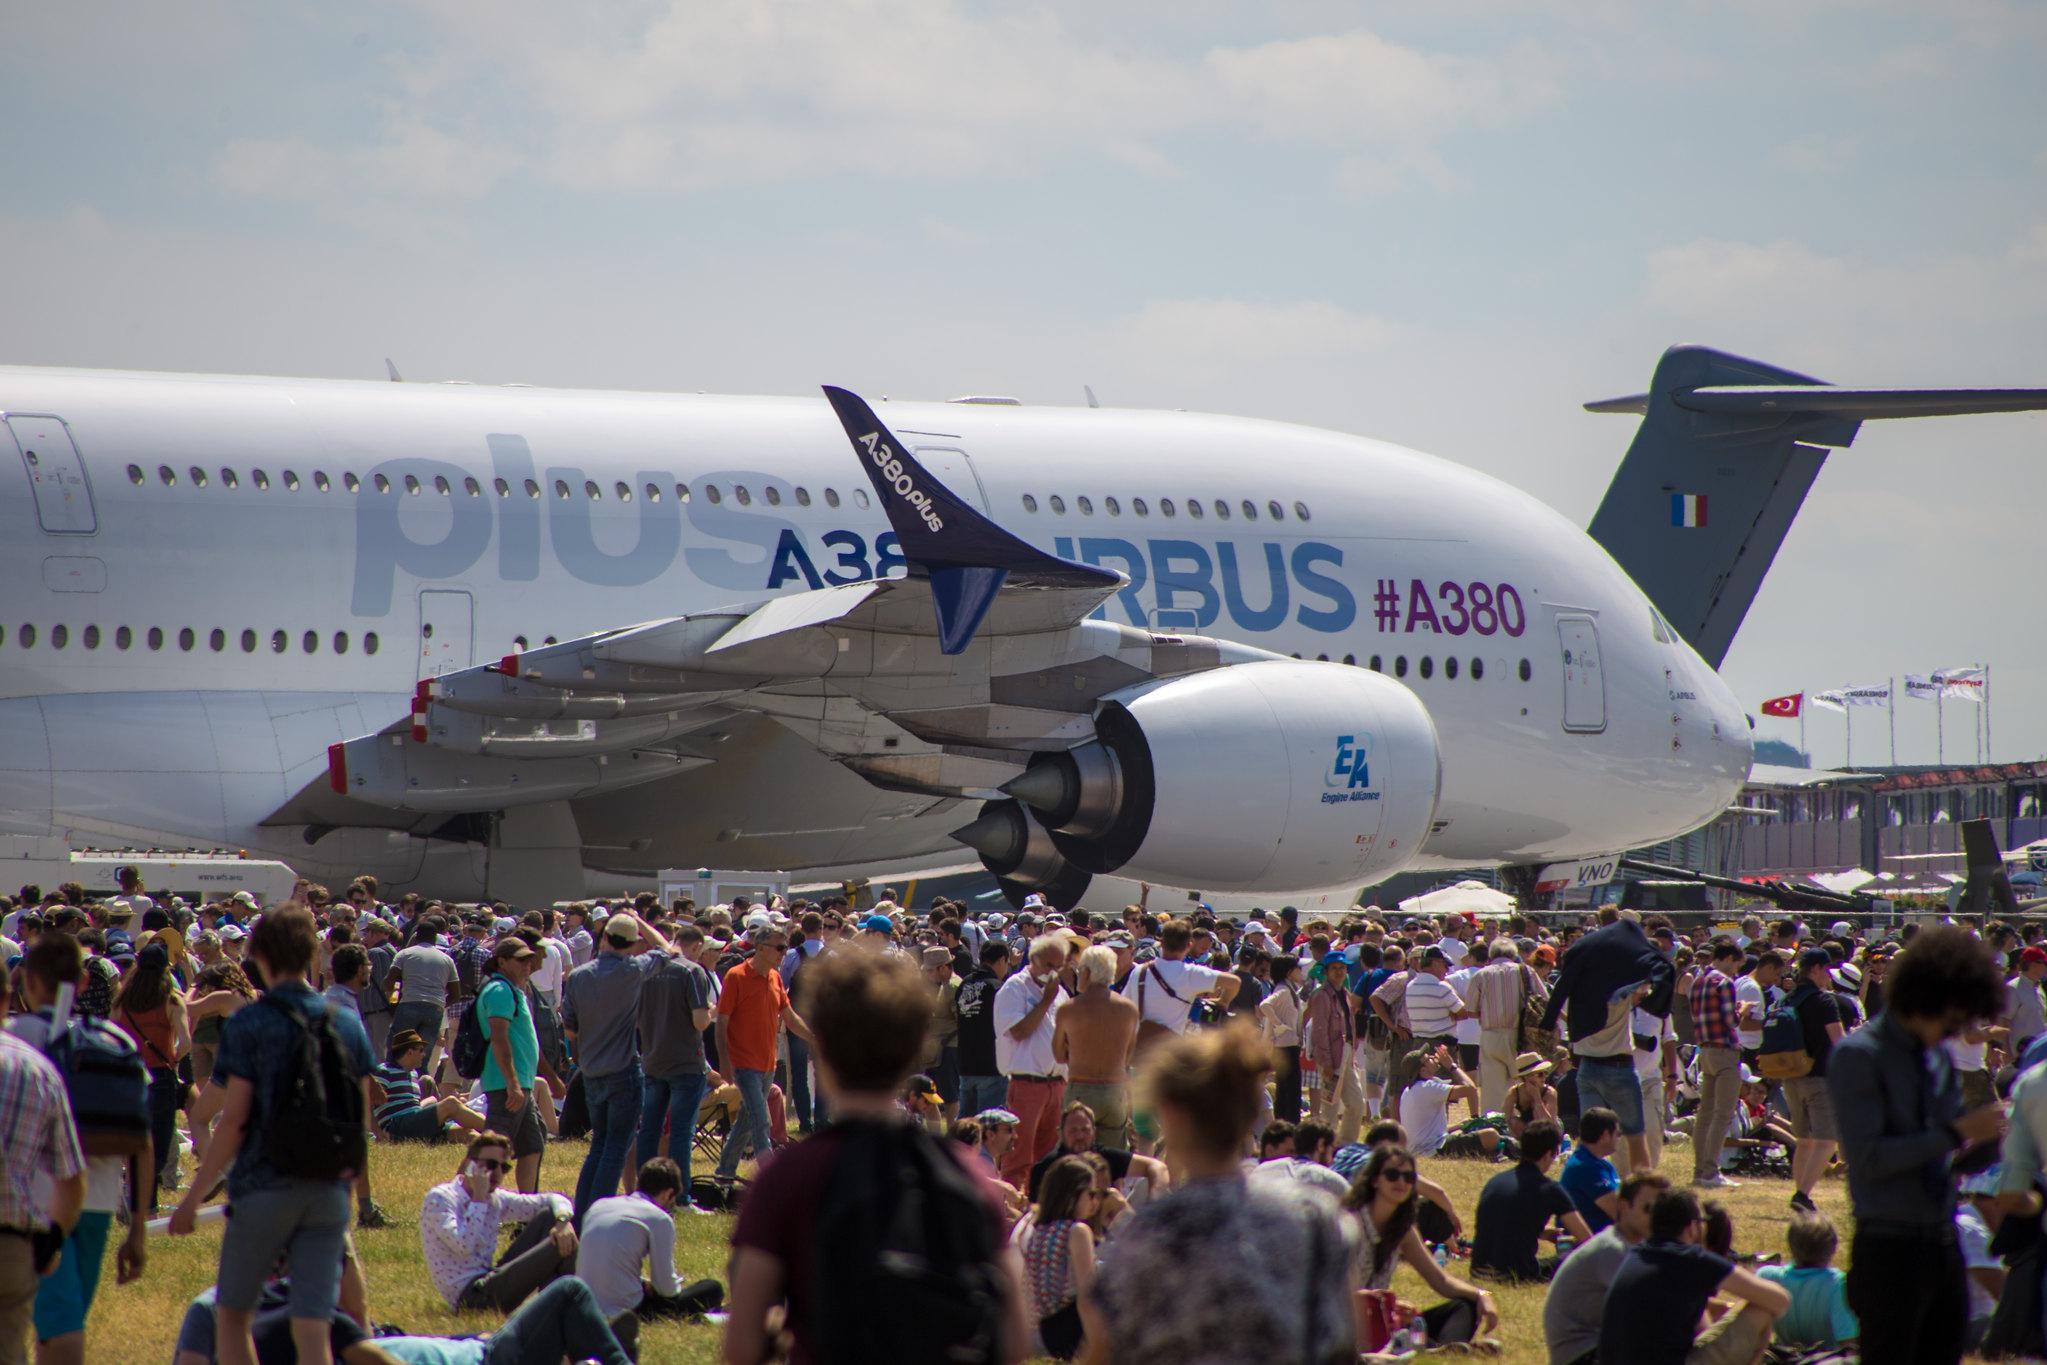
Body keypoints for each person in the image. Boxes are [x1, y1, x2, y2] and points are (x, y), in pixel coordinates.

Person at [724, 946, 1029, 1365]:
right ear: (914, 1050)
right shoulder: (967, 1175)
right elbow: (1012, 1339)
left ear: (824, 1054)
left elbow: (742, 1344)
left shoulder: (786, 1177)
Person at [169, 903, 377, 1365]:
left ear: (258, 956)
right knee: (313, 1326)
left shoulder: (251, 1022)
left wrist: (194, 1196)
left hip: (265, 1182)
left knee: (233, 1317)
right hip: (327, 1186)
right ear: (314, 955)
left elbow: (235, 1120)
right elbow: (359, 1118)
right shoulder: (344, 1021)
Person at [1083, 1025, 1359, 1365]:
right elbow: (1345, 1341)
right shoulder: (1318, 1218)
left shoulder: (1149, 1235)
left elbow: (1104, 1349)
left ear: (1172, 1115)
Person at [1828, 926, 2004, 1365]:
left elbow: (1943, 1154)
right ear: (1925, 999)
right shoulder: (1859, 1056)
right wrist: (1959, 1133)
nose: (1954, 1033)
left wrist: (1996, 1139)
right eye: (1951, 1021)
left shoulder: (1939, 1056)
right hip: (1889, 1245)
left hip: (1943, 1239)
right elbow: (1869, 1159)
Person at [0, 960, 89, 1365]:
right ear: (7, 999)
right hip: (10, 1245)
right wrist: (50, 1242)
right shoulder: (37, 1069)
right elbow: (71, 1177)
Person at [560, 910, 677, 1218]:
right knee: (616, 1148)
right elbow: (668, 949)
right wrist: (641, 922)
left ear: (605, 938)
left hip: (591, 1071)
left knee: (598, 1145)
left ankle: (582, 1212)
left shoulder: (578, 976)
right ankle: (596, 1215)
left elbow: (570, 1029)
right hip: (623, 1069)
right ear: (631, 943)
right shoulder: (633, 970)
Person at [1540, 914, 1671, 1175]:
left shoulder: (1581, 1002)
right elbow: (1644, 990)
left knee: (1591, 1139)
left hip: (1587, 1069)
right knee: (1635, 1134)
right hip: (1620, 1069)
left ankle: (1588, 1182)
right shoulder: (1619, 998)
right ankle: (1642, 1187)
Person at [1596, 1188, 1789, 1365]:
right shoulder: (1692, 1259)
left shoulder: (1638, 1254)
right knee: (1762, 1309)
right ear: (1691, 1227)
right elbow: (1780, 1299)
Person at [1342, 1144, 1500, 1345]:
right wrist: (1388, 1306)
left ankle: (1448, 1348)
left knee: (1465, 1305)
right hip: (1346, 1322)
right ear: (1374, 1180)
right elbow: (1332, 1292)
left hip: (1384, 1318)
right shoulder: (1349, 1224)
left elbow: (1441, 1280)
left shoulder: (1402, 1229)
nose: (1401, 1182)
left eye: (1409, 1177)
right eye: (1392, 1175)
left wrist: (1483, 1295)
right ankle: (1431, 1348)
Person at [418, 1131, 578, 1313]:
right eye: (491, 1164)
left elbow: (553, 1199)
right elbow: (463, 1245)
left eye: (504, 1167)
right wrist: (478, 1198)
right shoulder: (440, 1198)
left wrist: (563, 1220)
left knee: (551, 1216)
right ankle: (573, 1304)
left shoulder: (494, 1198)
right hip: (471, 1297)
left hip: (490, 1278)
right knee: (560, 1243)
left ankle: (560, 1306)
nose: (498, 1173)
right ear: (470, 1163)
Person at [578, 1157, 719, 1345]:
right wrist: (661, 1286)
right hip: (626, 1309)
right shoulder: (658, 1218)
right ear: (669, 1193)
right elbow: (666, 1289)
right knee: (712, 1288)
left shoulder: (600, 1205)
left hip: (585, 1302)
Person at [714, 925, 813, 1190]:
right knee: (762, 1121)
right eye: (779, 947)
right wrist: (724, 1061)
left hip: (767, 1063)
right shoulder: (736, 976)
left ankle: (723, 1174)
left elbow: (789, 1017)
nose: (784, 952)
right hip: (744, 1064)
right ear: (759, 948)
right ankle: (773, 1181)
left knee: (747, 1122)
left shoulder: (776, 977)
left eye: (786, 947)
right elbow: (722, 1022)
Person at [1541, 1171, 1669, 1365]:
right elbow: (1658, 1308)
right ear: (1624, 1207)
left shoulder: (1630, 1247)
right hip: (1583, 1355)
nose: (1658, 1218)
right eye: (1649, 1208)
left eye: (1664, 1211)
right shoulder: (1613, 1250)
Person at [634, 929, 717, 1190]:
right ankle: (681, 1196)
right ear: (697, 946)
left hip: (653, 1057)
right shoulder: (692, 971)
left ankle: (645, 1188)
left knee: (650, 1129)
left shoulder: (647, 970)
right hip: (685, 1061)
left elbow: (636, 1019)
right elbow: (700, 1021)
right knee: (681, 1132)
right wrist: (715, 1009)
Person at [111, 938, 189, 1213]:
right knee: (158, 1137)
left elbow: (112, 1032)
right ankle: (147, 1201)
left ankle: (130, 1195)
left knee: (130, 1135)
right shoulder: (171, 999)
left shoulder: (123, 998)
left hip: (128, 1075)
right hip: (159, 1074)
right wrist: (172, 1060)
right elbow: (185, 1041)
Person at [1468, 1121, 1591, 1282]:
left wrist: (1542, 1232)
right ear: (1549, 1154)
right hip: (1514, 1275)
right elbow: (1586, 1238)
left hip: (1478, 1271)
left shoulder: (1495, 1182)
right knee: (1572, 1254)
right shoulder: (1549, 1189)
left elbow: (1503, 1223)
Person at [997, 935, 1071, 1186]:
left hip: (1056, 1083)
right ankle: (1012, 1208)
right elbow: (1018, 1031)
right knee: (1018, 1157)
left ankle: (1039, 1205)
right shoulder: (1014, 987)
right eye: (1050, 965)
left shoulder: (1060, 992)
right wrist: (1046, 999)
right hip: (1027, 1083)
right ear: (1034, 959)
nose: (1055, 972)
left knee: (1047, 1158)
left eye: (1059, 966)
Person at [1013, 1155, 1104, 1360]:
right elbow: (1087, 1296)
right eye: (1091, 1194)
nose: (1095, 1200)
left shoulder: (1038, 1229)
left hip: (1045, 1331)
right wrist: (1097, 1346)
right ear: (1072, 1195)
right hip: (1071, 1331)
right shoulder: (1077, 1231)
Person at [476, 936, 546, 1193]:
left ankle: (527, 1208)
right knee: (490, 1150)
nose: (528, 964)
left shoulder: (511, 989)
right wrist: (512, 1082)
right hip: (506, 1083)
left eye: (529, 959)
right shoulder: (500, 990)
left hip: (520, 1082)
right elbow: (499, 1038)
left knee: (532, 1145)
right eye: (521, 960)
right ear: (502, 961)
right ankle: (461, 1200)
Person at [1781, 946, 1848, 1212]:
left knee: (1804, 1140)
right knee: (1827, 1140)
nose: (1829, 975)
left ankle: (1802, 1193)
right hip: (1820, 1077)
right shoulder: (1824, 1000)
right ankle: (1802, 1194)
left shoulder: (1788, 999)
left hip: (1791, 1076)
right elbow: (1838, 1040)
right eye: (1827, 969)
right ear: (1817, 969)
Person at [1052, 946, 1140, 1144]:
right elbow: (1128, 1055)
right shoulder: (1128, 1009)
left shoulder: (1068, 1009)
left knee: (1075, 1155)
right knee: (1114, 1158)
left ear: (1088, 972)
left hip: (1080, 1089)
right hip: (1115, 1090)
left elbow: (1058, 1055)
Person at [1687, 937, 1745, 1191]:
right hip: (1724, 1051)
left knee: (1705, 1114)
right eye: (1736, 965)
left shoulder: (1698, 981)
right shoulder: (1725, 982)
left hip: (1705, 1051)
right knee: (1723, 1114)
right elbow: (1731, 1020)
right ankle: (1711, 1171)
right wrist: (1743, 1008)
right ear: (1729, 958)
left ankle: (1700, 1169)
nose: (1736, 971)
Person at [1756, 1212, 1858, 1350]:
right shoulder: (1838, 1284)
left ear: (1790, 1245)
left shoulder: (1767, 1278)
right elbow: (1849, 1343)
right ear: (1833, 1247)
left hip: (1783, 1358)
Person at [1466, 938, 1540, 1114]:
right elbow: (1542, 1000)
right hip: (1521, 1035)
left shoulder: (1481, 975)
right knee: (1525, 1083)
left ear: (1491, 955)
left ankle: (1497, 1127)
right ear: (1513, 954)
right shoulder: (1526, 972)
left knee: (1492, 1091)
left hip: (1491, 1035)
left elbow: (1470, 1010)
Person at [370, 1029, 486, 1141]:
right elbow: (367, 1101)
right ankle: (498, 1128)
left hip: (415, 1125)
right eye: (421, 1050)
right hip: (396, 1126)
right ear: (409, 1052)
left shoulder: (413, 1074)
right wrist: (377, 1132)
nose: (424, 1054)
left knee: (467, 1133)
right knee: (451, 1103)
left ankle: (499, 1141)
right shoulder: (385, 1071)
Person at [387, 924, 458, 1079]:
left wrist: (393, 1001)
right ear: (434, 938)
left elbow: (389, 982)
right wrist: (439, 1003)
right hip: (435, 1009)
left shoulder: (404, 954)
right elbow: (455, 993)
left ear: (416, 936)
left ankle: (393, 1087)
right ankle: (420, 1092)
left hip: (409, 1004)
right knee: (422, 1057)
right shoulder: (447, 959)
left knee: (397, 1051)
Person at [955, 939, 1012, 1121]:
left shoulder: (965, 984)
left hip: (965, 1064)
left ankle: (954, 1150)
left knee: (965, 1125)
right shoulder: (997, 988)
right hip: (991, 1065)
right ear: (1002, 959)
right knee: (988, 1126)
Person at [1257, 953, 1306, 1125]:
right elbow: (1265, 1005)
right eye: (1298, 968)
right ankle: (1288, 1126)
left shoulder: (1288, 988)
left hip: (1288, 1046)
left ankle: (1285, 1125)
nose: (1301, 971)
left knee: (1288, 1090)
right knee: (1289, 1092)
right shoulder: (1284, 990)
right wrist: (1278, 1025)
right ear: (1289, 971)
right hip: (1285, 1047)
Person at [1557, 1108, 1621, 1233]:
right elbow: (1618, 1213)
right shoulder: (1585, 1167)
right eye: (1617, 1134)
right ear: (1605, 1135)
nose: (1619, 1138)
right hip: (1588, 1245)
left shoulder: (1599, 1163)